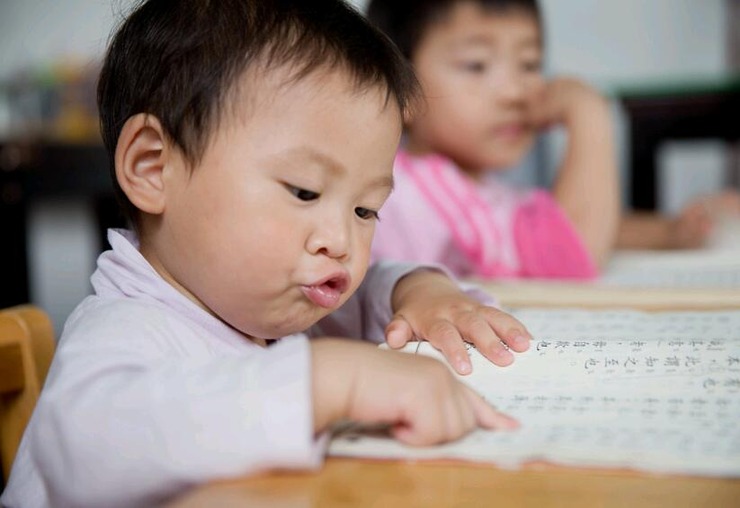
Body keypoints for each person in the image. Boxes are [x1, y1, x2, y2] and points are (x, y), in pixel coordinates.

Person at [0, 1, 532, 506]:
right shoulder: (128, 328)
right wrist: (327, 381)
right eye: (304, 191)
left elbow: (370, 291)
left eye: (366, 210)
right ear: (153, 167)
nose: (341, 241)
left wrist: (420, 291)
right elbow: (86, 451)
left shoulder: (262, 303)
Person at [365, 0, 739, 279]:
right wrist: (589, 115)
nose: (515, 91)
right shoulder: (412, 188)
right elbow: (568, 255)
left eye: (529, 64)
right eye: (477, 65)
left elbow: (551, 223)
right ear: (401, 89)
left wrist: (669, 232)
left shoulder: (463, 185)